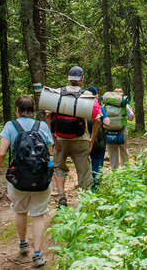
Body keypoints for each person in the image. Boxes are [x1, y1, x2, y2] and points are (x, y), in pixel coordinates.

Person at [0, 94, 53, 268]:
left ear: (17, 110)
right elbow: (49, 151)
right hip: (41, 179)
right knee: (38, 214)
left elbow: (2, 153)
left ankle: (23, 242)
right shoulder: (41, 125)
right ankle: (38, 253)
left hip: (18, 178)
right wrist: (49, 174)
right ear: (33, 110)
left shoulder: (10, 126)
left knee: (20, 211)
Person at [45, 66, 102, 207]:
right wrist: (92, 140)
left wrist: (53, 138)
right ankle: (84, 200)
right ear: (82, 79)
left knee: (59, 167)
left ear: (68, 78)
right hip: (81, 138)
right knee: (83, 169)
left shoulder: (57, 93)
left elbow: (47, 115)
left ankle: (62, 196)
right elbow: (97, 120)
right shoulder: (88, 95)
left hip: (60, 139)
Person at [86, 86, 110, 189]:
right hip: (98, 141)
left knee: (86, 163)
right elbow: (107, 122)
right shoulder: (99, 108)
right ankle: (95, 186)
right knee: (97, 163)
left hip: (83, 140)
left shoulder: (80, 106)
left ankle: (85, 185)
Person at [106, 88, 135, 170]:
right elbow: (131, 118)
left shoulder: (107, 106)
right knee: (124, 150)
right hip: (122, 131)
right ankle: (125, 170)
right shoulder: (124, 106)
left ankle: (114, 170)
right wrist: (131, 110)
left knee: (112, 152)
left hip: (110, 132)